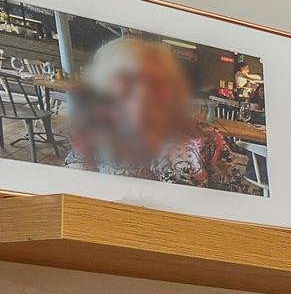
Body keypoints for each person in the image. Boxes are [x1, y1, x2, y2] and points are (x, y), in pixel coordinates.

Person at [63, 34, 258, 193]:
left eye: (155, 81)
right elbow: (72, 195)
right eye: (126, 78)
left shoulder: (206, 137)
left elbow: (241, 199)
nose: (143, 90)